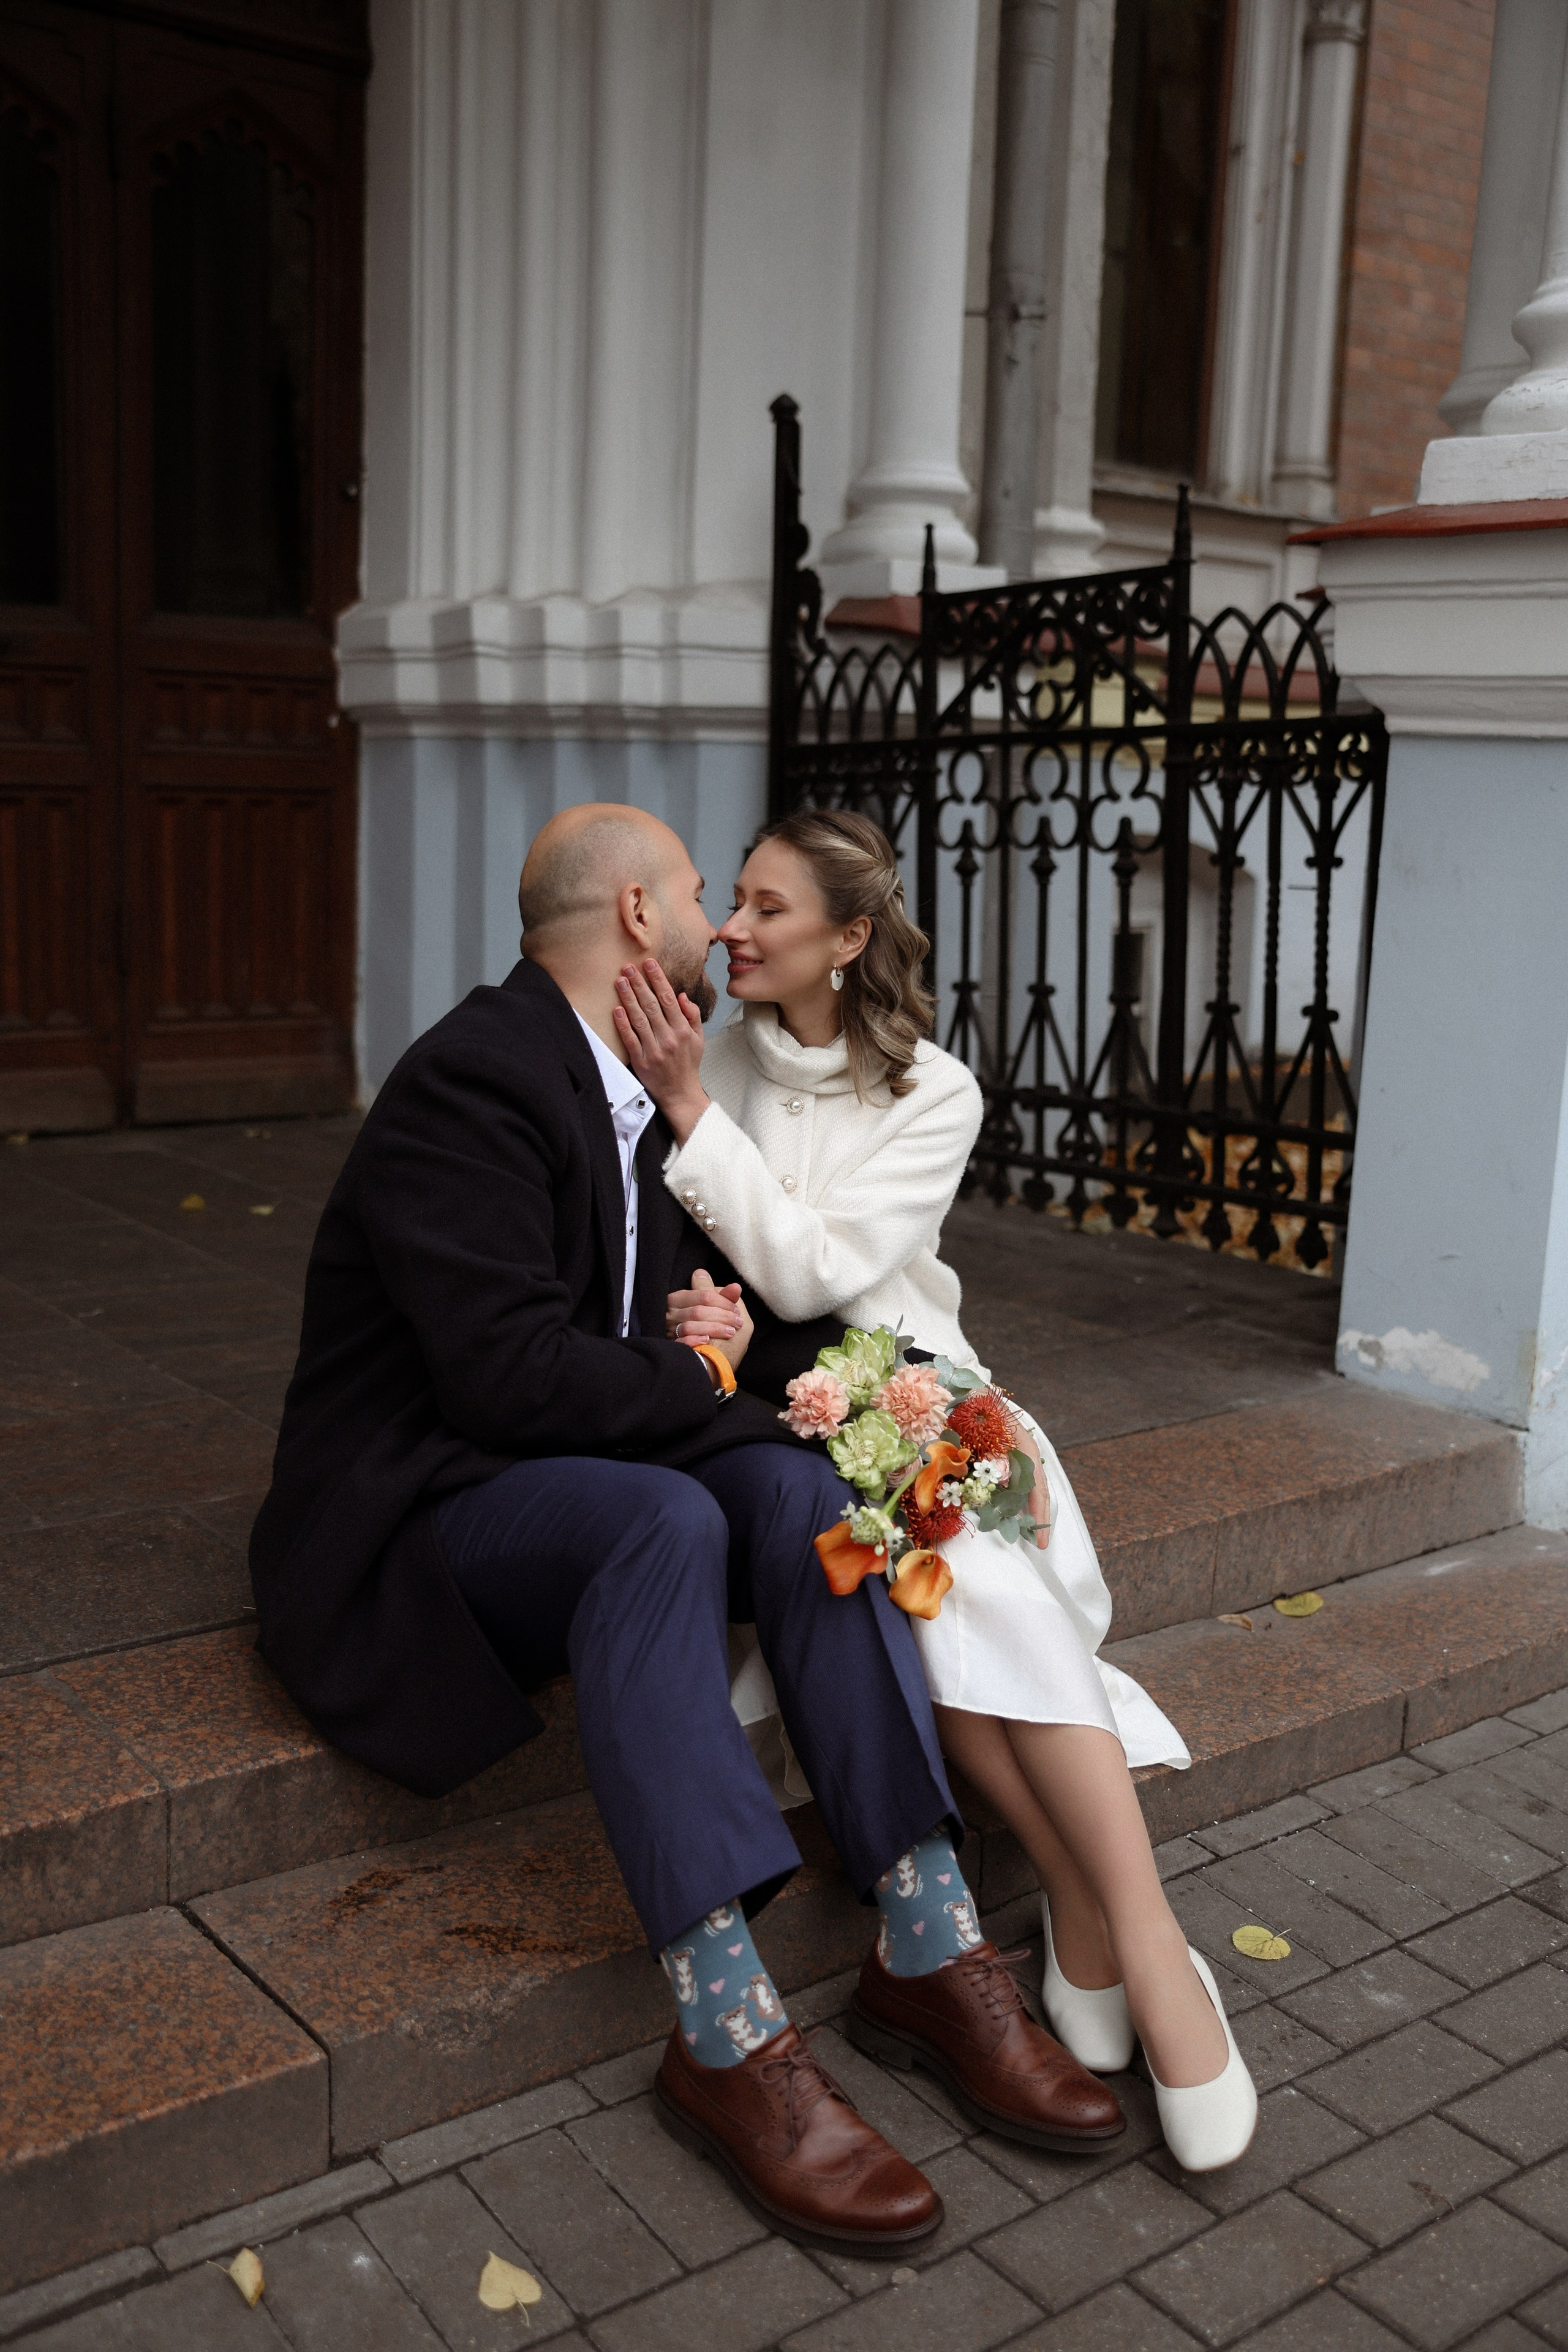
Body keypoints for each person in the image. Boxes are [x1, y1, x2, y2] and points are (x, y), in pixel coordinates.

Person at [249, 802, 1126, 2258]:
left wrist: (869, 1399)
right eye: (699, 895)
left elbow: (698, 1329)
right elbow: (506, 1376)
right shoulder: (471, 1079)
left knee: (794, 1497)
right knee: (661, 1519)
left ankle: (925, 1936)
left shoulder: (645, 1086)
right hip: (420, 1510)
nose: (721, 922)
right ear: (638, 921)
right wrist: (700, 1366)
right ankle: (724, 2033)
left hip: (559, 1462)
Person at [614, 807, 1258, 2173]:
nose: (730, 927)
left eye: (767, 908)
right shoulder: (697, 1051)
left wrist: (689, 1117)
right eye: (729, 899)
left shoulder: (934, 1093)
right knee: (934, 1609)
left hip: (914, 1389)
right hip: (777, 1416)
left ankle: (1131, 1933)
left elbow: (815, 1275)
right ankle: (1108, 1923)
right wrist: (683, 1109)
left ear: (846, 940)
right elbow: (718, 1289)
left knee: (975, 1586)